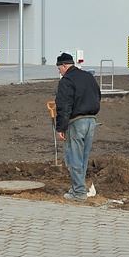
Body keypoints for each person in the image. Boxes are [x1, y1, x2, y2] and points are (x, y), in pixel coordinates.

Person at [54, 52, 101, 202]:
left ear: (64, 65)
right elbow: (98, 95)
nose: (59, 72)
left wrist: (60, 128)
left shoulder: (66, 81)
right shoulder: (88, 77)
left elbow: (64, 106)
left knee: (73, 156)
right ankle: (78, 187)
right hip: (91, 121)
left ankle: (79, 192)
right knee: (83, 157)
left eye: (59, 68)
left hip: (76, 122)